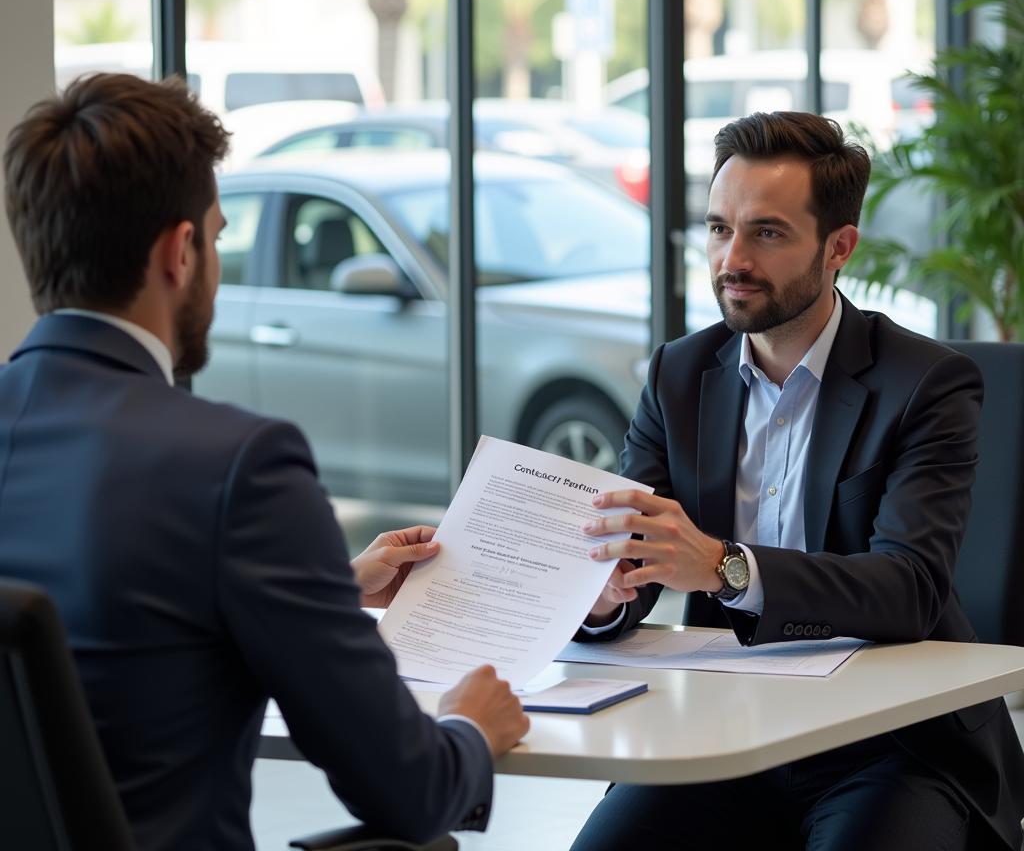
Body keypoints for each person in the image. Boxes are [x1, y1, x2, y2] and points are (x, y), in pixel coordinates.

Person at [0, 72, 529, 851]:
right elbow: (412, 790)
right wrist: (469, 730)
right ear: (180, 253)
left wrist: (326, 586)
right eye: (216, 237)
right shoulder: (235, 465)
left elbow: (108, 610)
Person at [572, 111, 1024, 851]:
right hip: (725, 730)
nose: (732, 258)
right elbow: (643, 562)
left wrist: (725, 567)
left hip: (893, 746)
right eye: (719, 229)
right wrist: (600, 597)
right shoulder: (678, 375)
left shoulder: (928, 385)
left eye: (767, 233)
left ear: (838, 247)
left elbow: (909, 587)